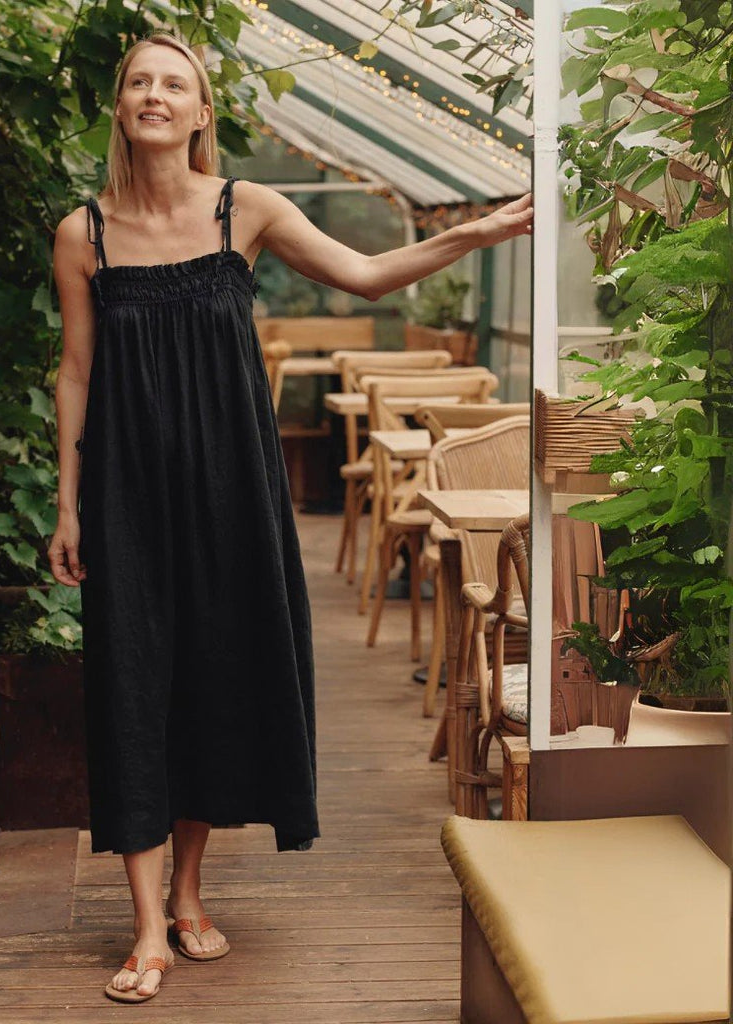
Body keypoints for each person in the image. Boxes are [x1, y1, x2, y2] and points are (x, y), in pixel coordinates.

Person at [48, 30, 533, 1004]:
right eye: (139, 82)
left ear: (199, 113)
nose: (153, 94)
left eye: (173, 83)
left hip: (233, 488)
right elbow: (76, 370)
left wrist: (476, 235)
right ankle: (146, 926)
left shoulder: (247, 208)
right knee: (133, 684)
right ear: (121, 108)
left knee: (214, 676)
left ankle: (188, 892)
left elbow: (367, 274)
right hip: (128, 494)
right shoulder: (83, 233)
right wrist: (68, 502)